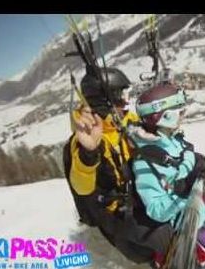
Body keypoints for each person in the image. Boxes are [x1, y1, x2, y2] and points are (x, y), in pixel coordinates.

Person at [130, 83, 205, 269]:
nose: (183, 115)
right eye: (179, 112)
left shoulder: (173, 139)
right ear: (164, 116)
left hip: (201, 207)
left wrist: (200, 165)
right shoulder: (145, 161)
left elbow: (188, 160)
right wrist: (182, 190)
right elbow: (155, 209)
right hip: (186, 223)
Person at [62, 66, 173, 263]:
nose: (125, 102)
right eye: (121, 96)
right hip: (116, 213)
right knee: (166, 240)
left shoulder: (126, 122)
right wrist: (89, 153)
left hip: (142, 198)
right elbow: (82, 186)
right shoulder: (87, 139)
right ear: (104, 102)